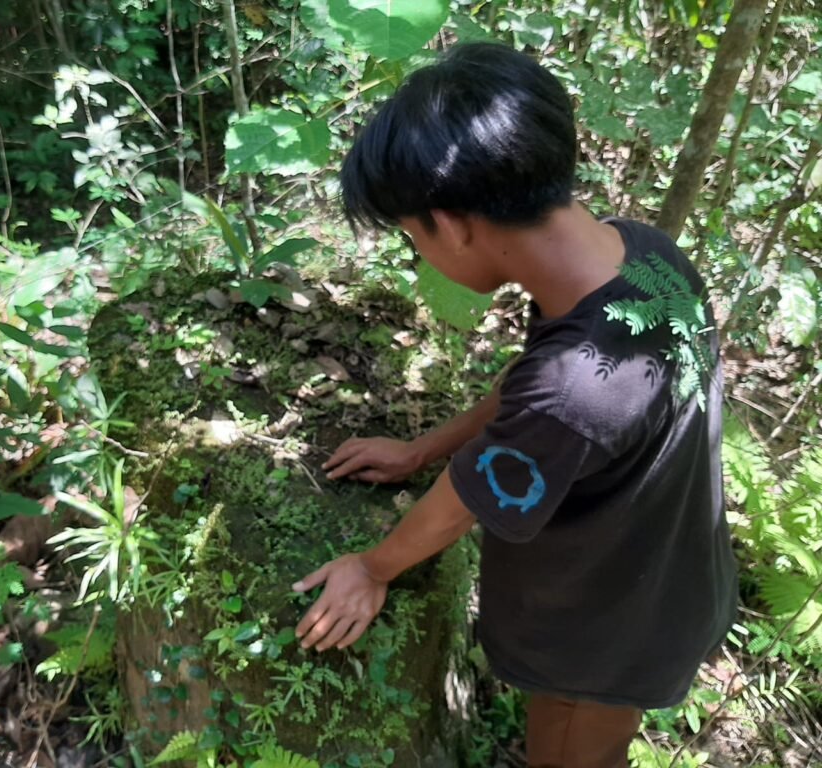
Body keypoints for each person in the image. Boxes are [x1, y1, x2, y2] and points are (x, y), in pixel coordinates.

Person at [290, 41, 738, 768]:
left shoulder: (573, 391)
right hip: (661, 578)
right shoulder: (642, 253)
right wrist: (423, 445)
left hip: (604, 639)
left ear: (457, 222)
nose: (418, 253)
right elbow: (536, 383)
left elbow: (474, 492)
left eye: (412, 237)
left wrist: (374, 567)